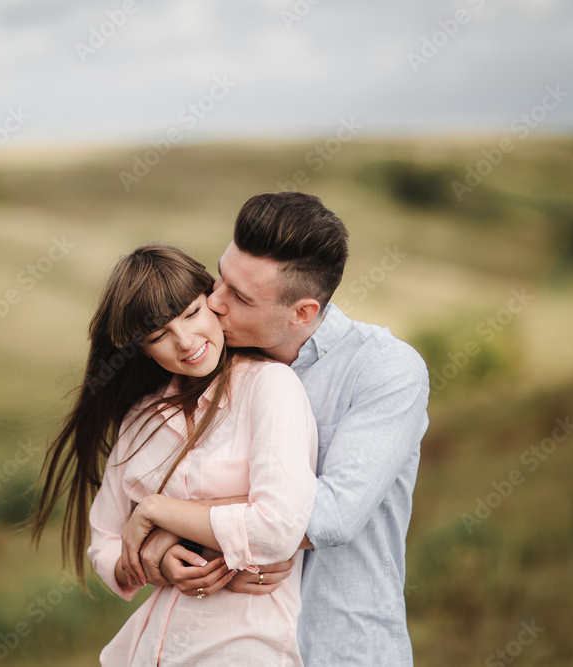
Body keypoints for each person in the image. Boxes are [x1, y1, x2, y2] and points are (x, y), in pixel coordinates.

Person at [142, 192, 430, 666]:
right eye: (221, 278)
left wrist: (167, 517)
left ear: (302, 313)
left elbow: (329, 517)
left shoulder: (386, 370)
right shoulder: (207, 363)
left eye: (240, 296)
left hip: (340, 651)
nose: (213, 302)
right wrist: (166, 540)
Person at [30, 244, 318, 666]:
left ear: (212, 302)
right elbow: (105, 544)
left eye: (191, 314)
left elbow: (277, 527)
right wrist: (161, 565)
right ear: (141, 350)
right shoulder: (141, 419)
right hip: (149, 652)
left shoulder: (269, 387)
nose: (185, 342)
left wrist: (157, 511)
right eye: (158, 336)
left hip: (244, 648)